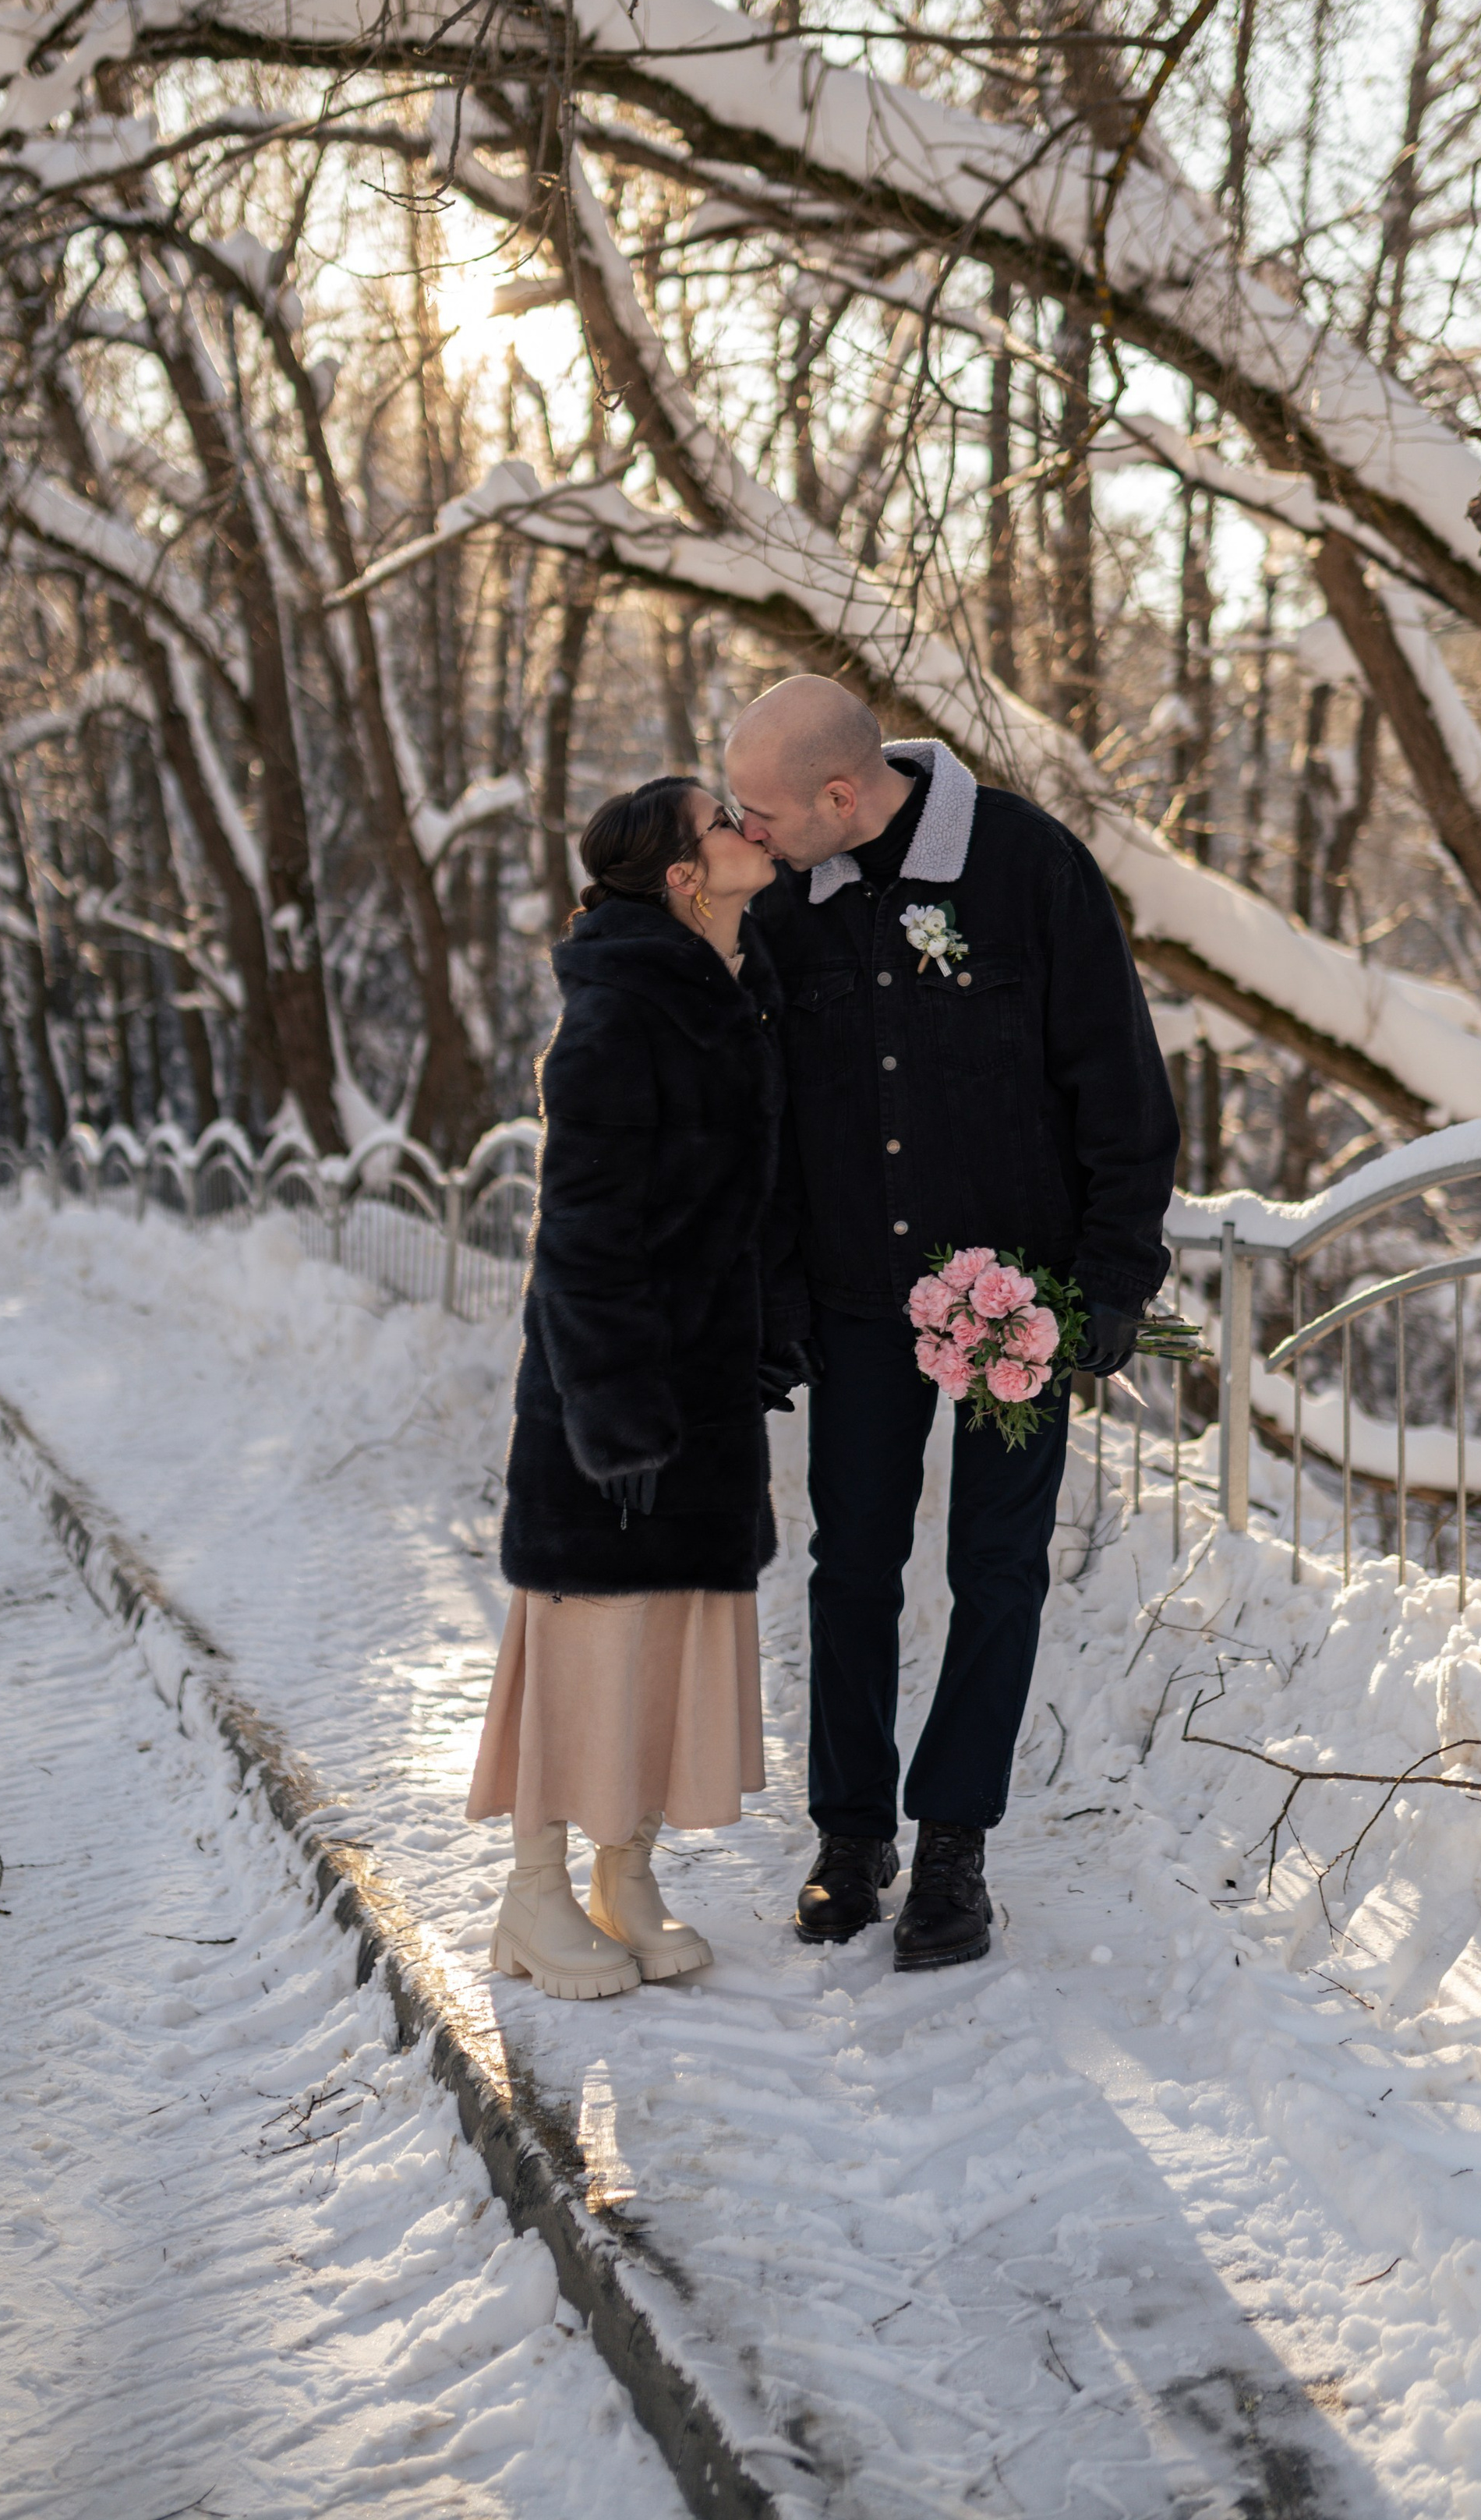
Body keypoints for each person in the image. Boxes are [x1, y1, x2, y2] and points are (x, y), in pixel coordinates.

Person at [725, 677, 1178, 1973]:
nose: (748, 833)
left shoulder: (1029, 868)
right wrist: (783, 1293)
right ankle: (851, 1837)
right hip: (859, 1304)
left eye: (764, 811)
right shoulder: (786, 906)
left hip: (1014, 1305)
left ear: (840, 795)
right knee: (851, 1565)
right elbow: (765, 1113)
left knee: (997, 1570)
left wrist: (1108, 1287)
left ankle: (954, 1852)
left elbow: (1121, 1090)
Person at [467, 775, 808, 1998]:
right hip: (608, 1397)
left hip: (704, 1383)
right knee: (589, 1643)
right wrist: (614, 1412)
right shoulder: (618, 1018)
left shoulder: (735, 995)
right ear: (679, 874)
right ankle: (535, 1895)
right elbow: (581, 1238)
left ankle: (627, 1872)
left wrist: (770, 1338)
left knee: (665, 1644)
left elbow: (752, 1206)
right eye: (723, 824)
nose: (747, 830)